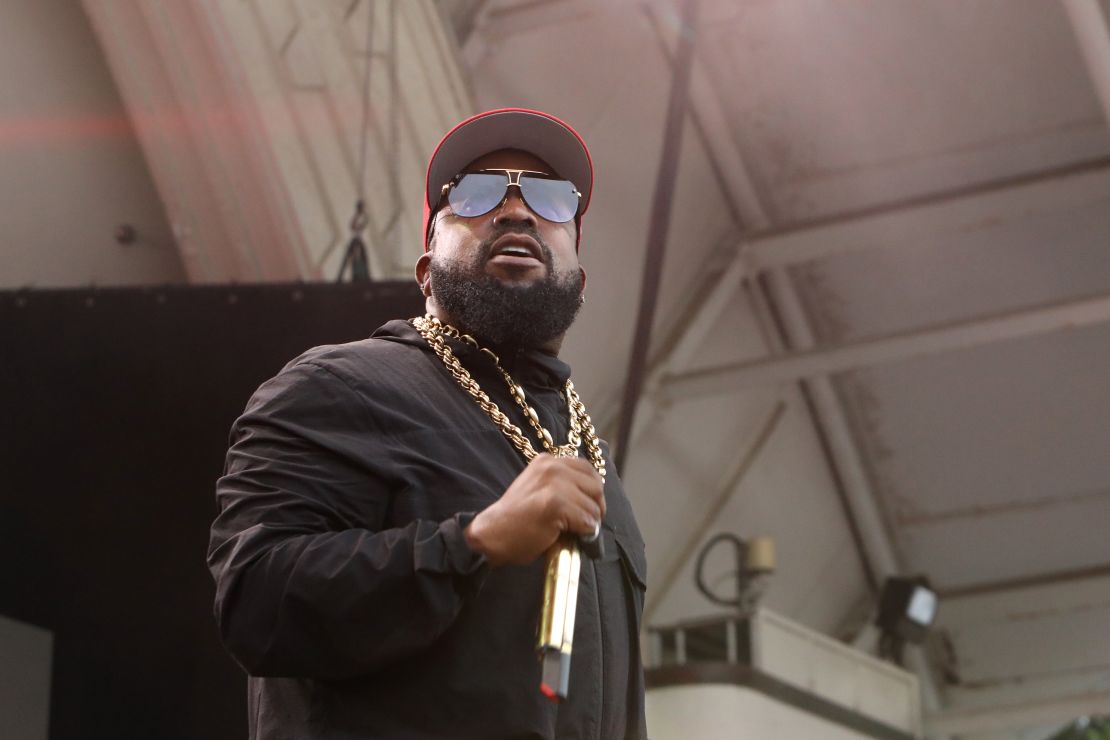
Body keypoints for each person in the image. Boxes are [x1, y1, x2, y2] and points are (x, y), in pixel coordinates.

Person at [207, 108, 647, 740]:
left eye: (551, 199)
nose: (517, 211)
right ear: (424, 271)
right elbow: (257, 605)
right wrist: (474, 544)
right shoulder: (340, 387)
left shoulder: (595, 460)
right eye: (475, 192)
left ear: (580, 280)